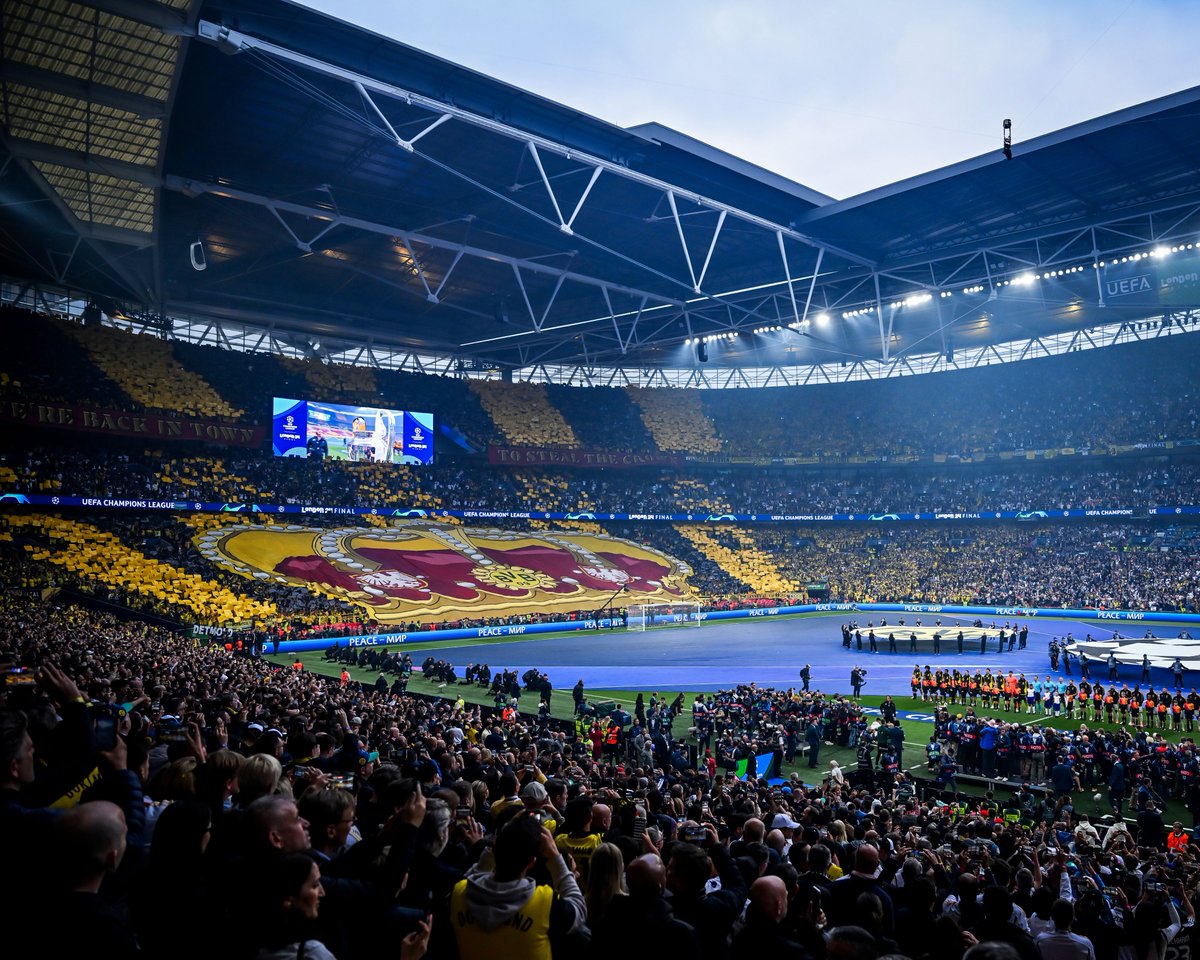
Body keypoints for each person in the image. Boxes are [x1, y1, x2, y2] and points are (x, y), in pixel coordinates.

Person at [451, 813, 585, 960]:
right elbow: (579, 909)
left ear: (494, 850)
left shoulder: (459, 892)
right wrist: (554, 857)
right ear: (532, 862)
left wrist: (501, 839)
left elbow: (475, 874)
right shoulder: (544, 902)